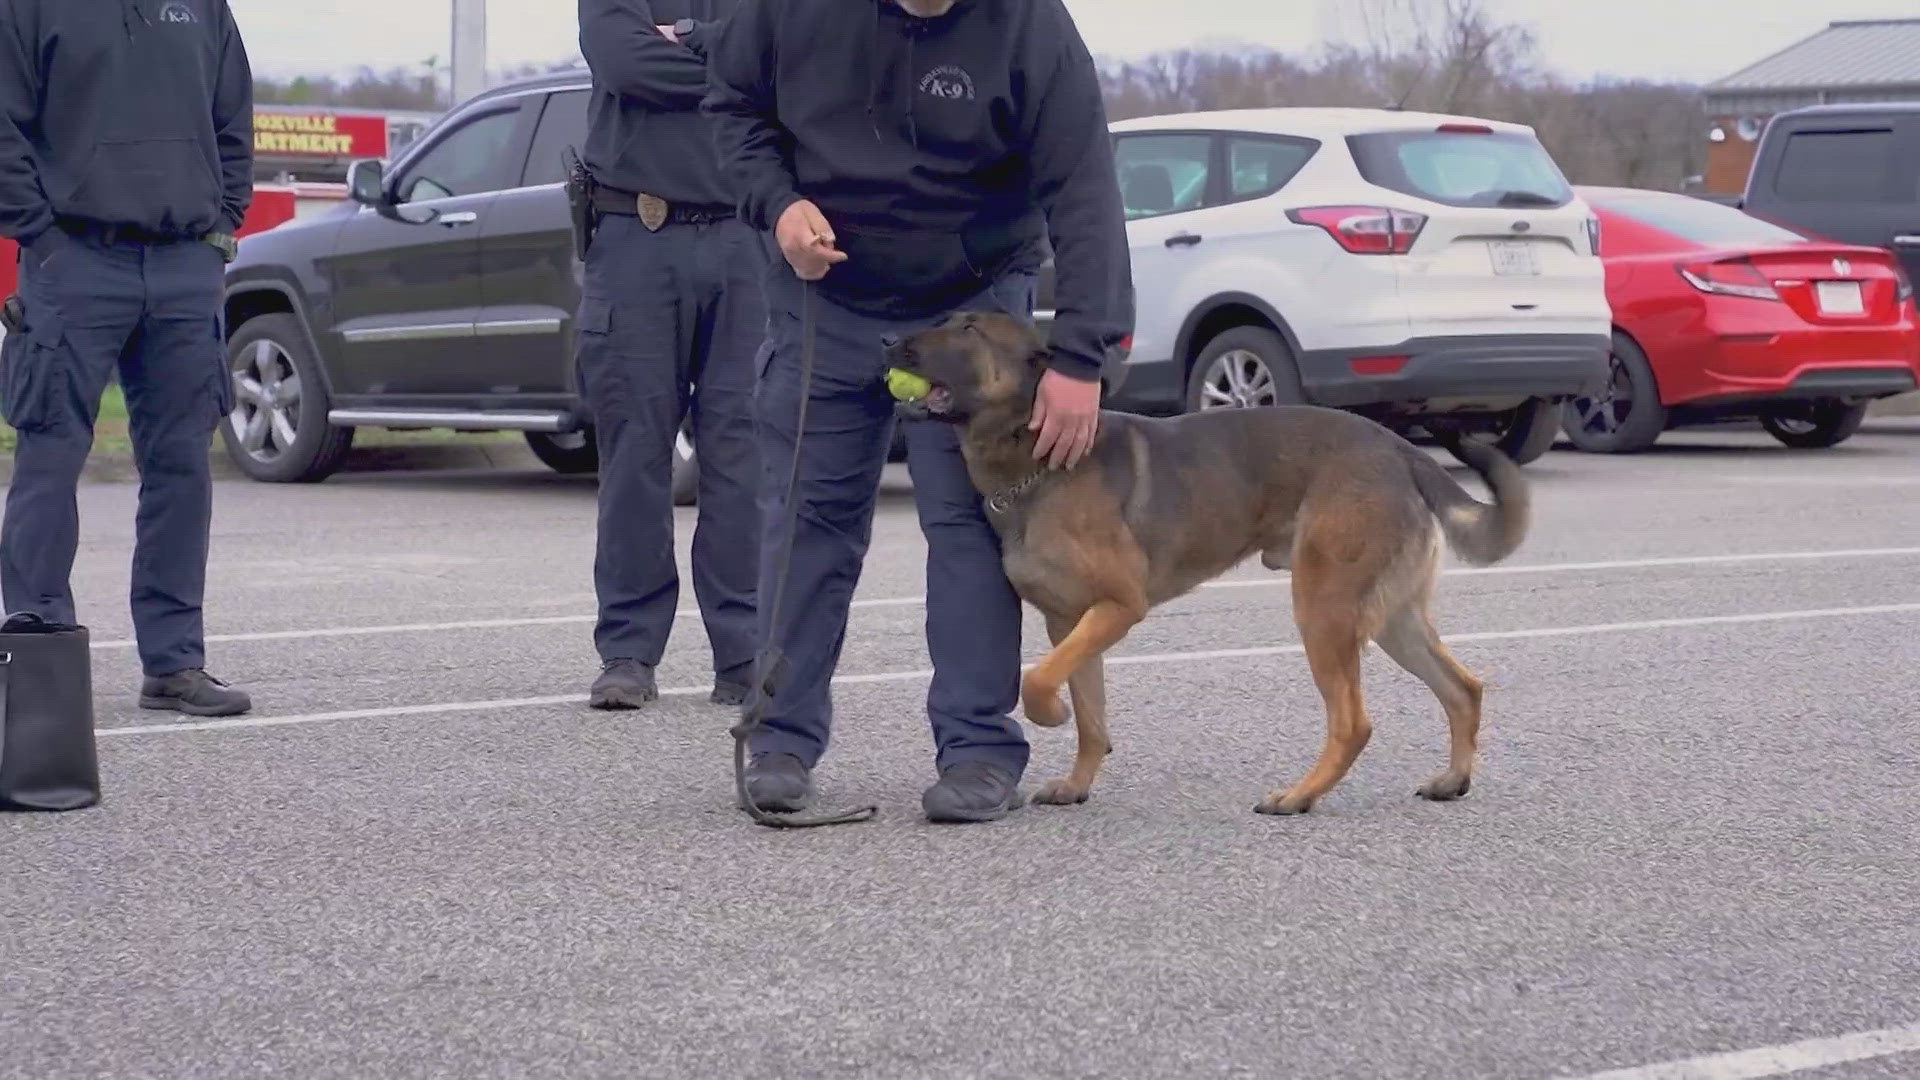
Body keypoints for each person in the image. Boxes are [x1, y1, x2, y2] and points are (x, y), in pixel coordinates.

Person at [705, 0, 1134, 822]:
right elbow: (733, 109)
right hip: (824, 297)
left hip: (972, 308)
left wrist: (1083, 359)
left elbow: (1084, 188)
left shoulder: (1030, 25)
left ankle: (977, 749)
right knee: (808, 521)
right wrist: (776, 204)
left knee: (970, 527)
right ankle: (781, 740)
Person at [0, 0, 254, 717]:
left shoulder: (204, 7)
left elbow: (233, 120)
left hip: (183, 265)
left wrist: (221, 223)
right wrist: (40, 237)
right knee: (50, 455)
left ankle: (174, 665)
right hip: (72, 261)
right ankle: (39, 659)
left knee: (181, 465)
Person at [575, 0, 767, 710]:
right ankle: (628, 649)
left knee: (742, 452)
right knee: (635, 449)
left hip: (745, 239)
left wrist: (688, 41)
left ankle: (743, 651)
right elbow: (626, 63)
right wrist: (729, 59)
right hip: (635, 236)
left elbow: (779, 58)